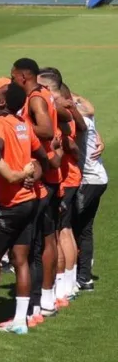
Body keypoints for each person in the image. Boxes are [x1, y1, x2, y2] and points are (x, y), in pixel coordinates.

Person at [0, 80, 48, 334]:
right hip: (29, 200)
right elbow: (40, 156)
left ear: (2, 102)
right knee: (21, 260)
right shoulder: (23, 125)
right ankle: (20, 321)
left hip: (9, 204)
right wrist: (36, 174)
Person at [11, 58, 61, 323]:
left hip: (45, 174)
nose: (12, 81)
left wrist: (17, 125)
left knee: (37, 242)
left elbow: (47, 129)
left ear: (23, 76)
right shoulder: (42, 95)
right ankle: (48, 298)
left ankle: (35, 304)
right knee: (47, 238)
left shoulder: (35, 99)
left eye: (13, 76)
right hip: (50, 170)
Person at [37, 71, 84, 305]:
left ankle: (61, 288)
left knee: (58, 234)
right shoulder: (63, 114)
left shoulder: (58, 115)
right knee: (65, 231)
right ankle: (69, 283)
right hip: (68, 178)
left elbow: (71, 145)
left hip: (63, 179)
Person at [74, 97, 106, 292]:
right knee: (84, 228)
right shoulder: (83, 114)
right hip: (96, 179)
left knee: (66, 226)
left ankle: (69, 277)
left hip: (89, 181)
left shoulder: (78, 118)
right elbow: (90, 110)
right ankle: (84, 277)